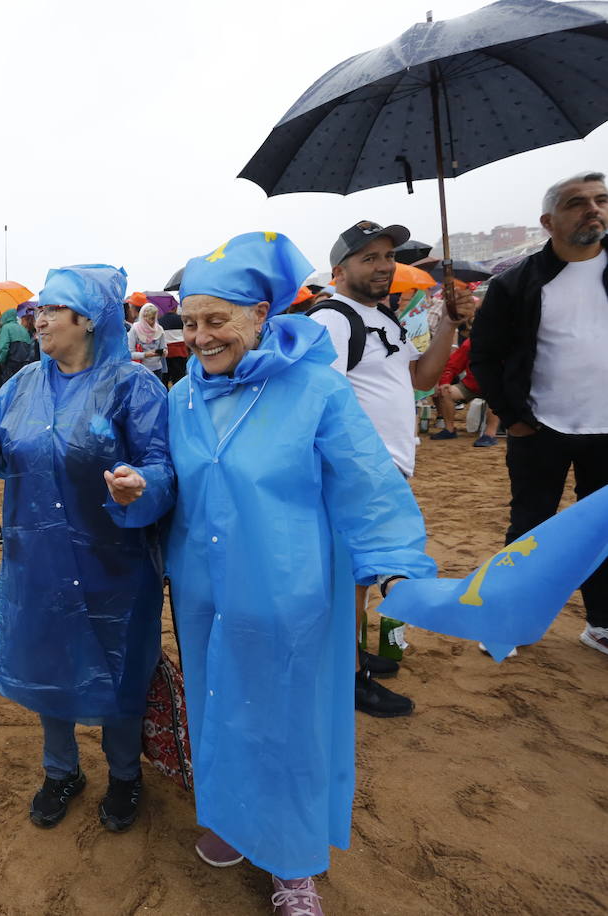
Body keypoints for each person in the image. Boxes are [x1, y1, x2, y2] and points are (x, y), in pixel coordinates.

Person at [166, 231, 436, 916]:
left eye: (215, 319)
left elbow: (367, 482)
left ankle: (292, 865)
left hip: (289, 590)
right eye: (190, 322)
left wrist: (396, 568)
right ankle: (229, 818)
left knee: (289, 718)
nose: (199, 336)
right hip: (204, 590)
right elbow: (172, 486)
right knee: (218, 704)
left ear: (260, 314)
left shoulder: (315, 388)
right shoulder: (182, 399)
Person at [0, 264, 173, 834]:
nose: (38, 319)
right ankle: (60, 771)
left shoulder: (134, 386)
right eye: (37, 310)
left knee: (118, 665)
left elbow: (162, 467)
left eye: (51, 309)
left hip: (114, 561)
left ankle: (125, 775)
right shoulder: (21, 386)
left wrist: (140, 485)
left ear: (89, 320)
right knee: (51, 661)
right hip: (39, 558)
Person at [308, 219, 475, 716]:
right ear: (340, 270)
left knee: (365, 572)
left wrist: (448, 321)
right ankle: (348, 678)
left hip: (387, 471)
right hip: (359, 473)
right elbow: (322, 401)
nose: (383, 266)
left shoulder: (381, 318)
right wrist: (357, 469)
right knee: (354, 577)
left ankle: (353, 653)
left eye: (387, 256)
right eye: (369, 258)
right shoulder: (333, 320)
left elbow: (423, 379)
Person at [470, 170, 608, 657]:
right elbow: (483, 356)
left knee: (604, 534)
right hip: (540, 429)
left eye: (601, 200)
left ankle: (602, 624)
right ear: (549, 221)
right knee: (529, 529)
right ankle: (509, 621)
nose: (593, 209)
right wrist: (515, 419)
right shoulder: (516, 285)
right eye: (577, 203)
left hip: (607, 431)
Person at [430, 338, 499, 446]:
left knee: (496, 393)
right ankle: (449, 429)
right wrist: (445, 382)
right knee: (446, 391)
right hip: (471, 385)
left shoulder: (504, 342)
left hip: (494, 386)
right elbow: (453, 364)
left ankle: (490, 434)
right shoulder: (470, 343)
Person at [0, 304, 36, 385]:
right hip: (24, 366)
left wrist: (0, 361)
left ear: (5, 315)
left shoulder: (6, 328)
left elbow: (3, 347)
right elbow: (30, 349)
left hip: (10, 366)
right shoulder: (23, 329)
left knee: (9, 389)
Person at [126, 303, 166, 379]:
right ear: (142, 317)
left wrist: (164, 352)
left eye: (153, 318)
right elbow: (130, 354)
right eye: (148, 318)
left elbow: (164, 348)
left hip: (157, 370)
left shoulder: (159, 329)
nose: (151, 322)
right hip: (140, 370)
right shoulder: (135, 329)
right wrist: (145, 354)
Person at [156, 295, 189, 384]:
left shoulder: (160, 321)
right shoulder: (181, 319)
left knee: (165, 378)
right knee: (179, 378)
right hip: (180, 352)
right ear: (174, 308)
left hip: (166, 353)